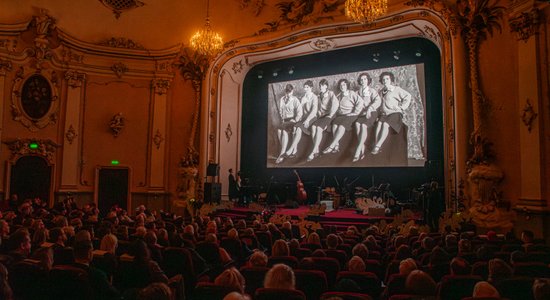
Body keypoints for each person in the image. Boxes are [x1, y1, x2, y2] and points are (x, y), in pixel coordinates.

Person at [372, 71, 412, 154]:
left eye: (387, 79)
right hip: (384, 114)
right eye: (383, 79)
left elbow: (408, 96)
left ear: (391, 80)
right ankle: (376, 143)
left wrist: (401, 107)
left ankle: (377, 146)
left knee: (385, 124)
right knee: (379, 125)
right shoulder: (381, 91)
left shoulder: (396, 89)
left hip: (395, 113)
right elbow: (379, 104)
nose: (385, 81)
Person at [323, 78, 363, 154]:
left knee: (341, 126)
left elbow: (360, 102)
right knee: (334, 124)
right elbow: (336, 107)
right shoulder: (338, 96)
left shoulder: (351, 93)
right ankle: (337, 145)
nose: (342, 86)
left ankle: (331, 146)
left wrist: (355, 112)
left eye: (344, 84)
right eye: (341, 85)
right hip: (341, 116)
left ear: (347, 85)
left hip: (350, 115)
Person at [307, 78, 339, 162]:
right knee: (313, 126)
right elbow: (318, 108)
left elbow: (336, 104)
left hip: (330, 116)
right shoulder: (319, 95)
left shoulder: (331, 93)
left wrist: (330, 115)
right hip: (322, 116)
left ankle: (313, 151)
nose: (321, 87)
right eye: (320, 85)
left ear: (326, 86)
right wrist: (319, 113)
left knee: (319, 128)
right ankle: (316, 150)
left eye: (322, 85)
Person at [285, 80, 318, 159]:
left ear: (311, 88)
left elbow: (314, 111)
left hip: (312, 117)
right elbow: (301, 112)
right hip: (304, 118)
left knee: (299, 129)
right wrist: (297, 120)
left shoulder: (314, 97)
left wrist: (307, 120)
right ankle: (295, 150)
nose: (305, 89)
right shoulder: (304, 98)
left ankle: (291, 149)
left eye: (307, 87)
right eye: (305, 87)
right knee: (295, 127)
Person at [353, 73, 381, 161]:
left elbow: (378, 101)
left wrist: (370, 108)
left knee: (364, 125)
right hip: (362, 114)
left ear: (368, 80)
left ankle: (358, 149)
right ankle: (362, 147)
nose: (363, 81)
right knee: (357, 123)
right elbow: (354, 103)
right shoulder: (357, 93)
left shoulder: (372, 91)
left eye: (365, 79)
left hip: (371, 112)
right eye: (361, 79)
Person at [275, 84, 302, 164]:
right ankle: (284, 150)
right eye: (287, 92)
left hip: (293, 120)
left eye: (290, 92)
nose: (288, 94)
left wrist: (295, 119)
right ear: (285, 92)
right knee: (279, 130)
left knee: (283, 131)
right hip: (285, 121)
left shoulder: (295, 100)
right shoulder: (282, 99)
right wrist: (282, 118)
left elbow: (300, 112)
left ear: (292, 91)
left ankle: (282, 154)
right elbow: (280, 111)